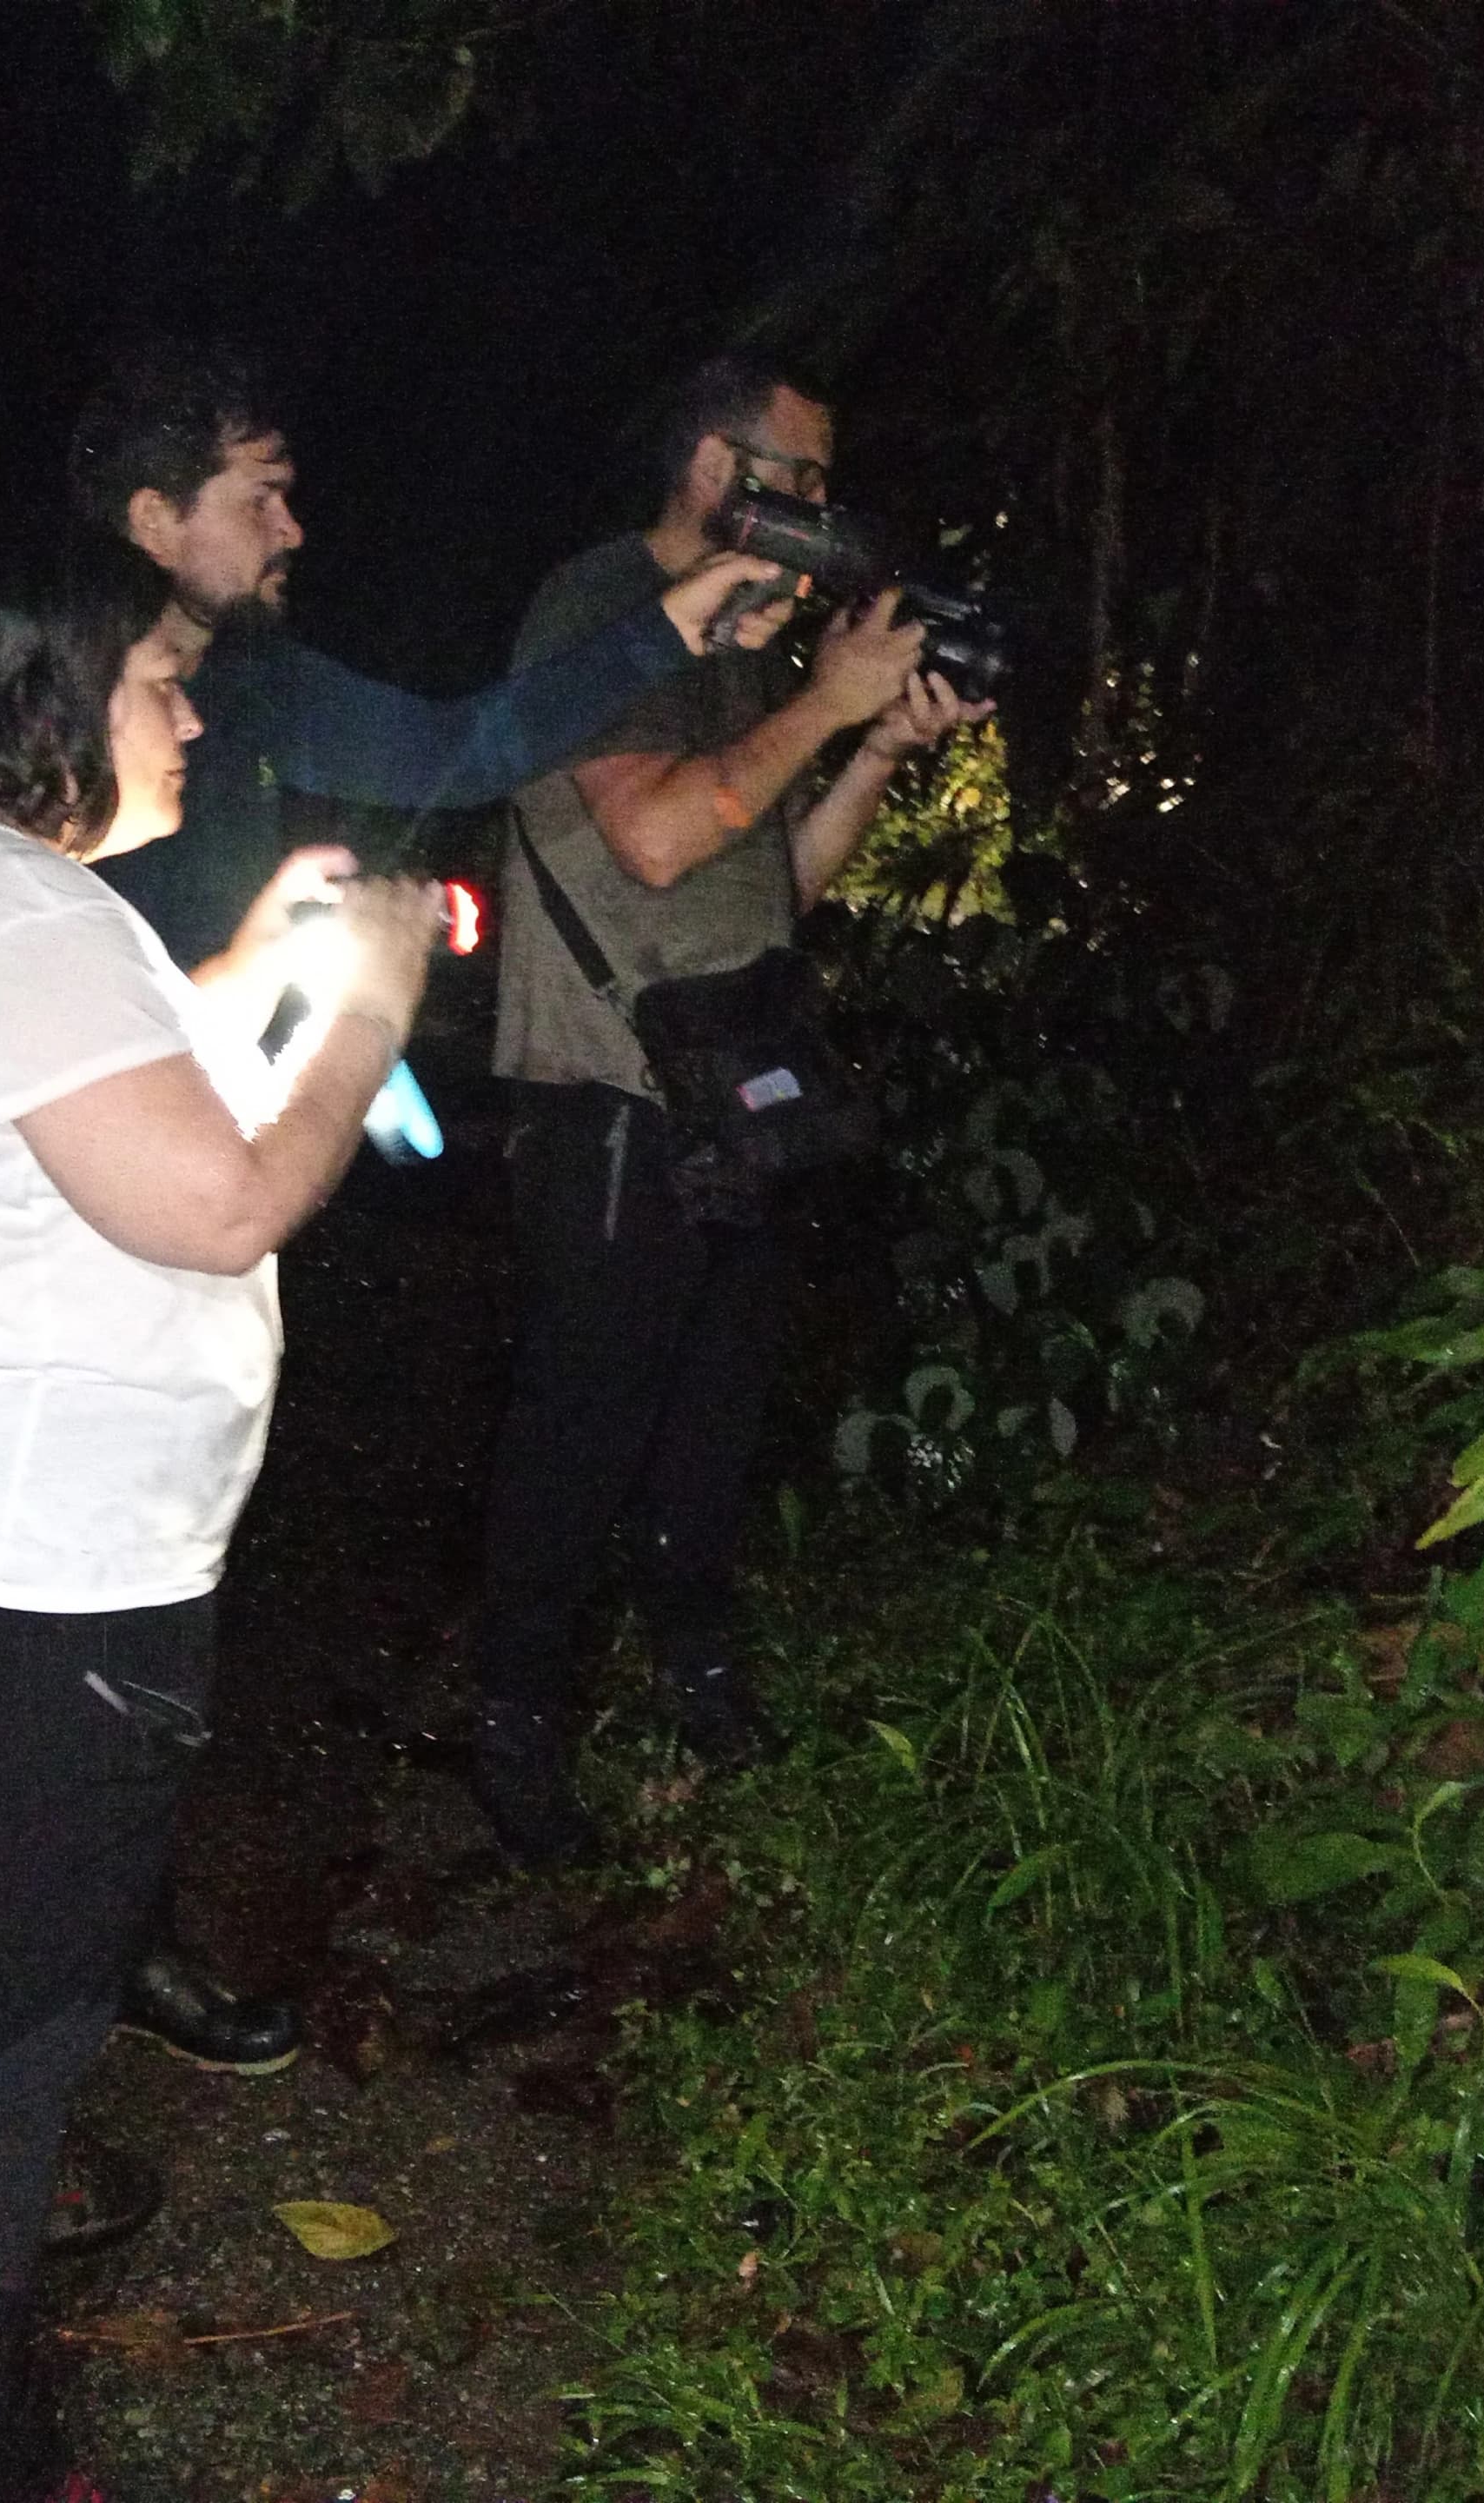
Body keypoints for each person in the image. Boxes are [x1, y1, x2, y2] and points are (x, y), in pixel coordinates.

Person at [0, 340, 780, 2140]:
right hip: (5, 1254)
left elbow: (468, 742)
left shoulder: (248, 695)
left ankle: (102, 1937)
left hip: (146, 1215)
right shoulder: (1, 732)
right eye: (260, 489)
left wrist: (671, 621)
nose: (296, 523)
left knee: (121, 1595)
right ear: (148, 525)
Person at [0, 509, 441, 2502]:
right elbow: (221, 1195)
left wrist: (251, 970)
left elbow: (88, 1115)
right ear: (53, 689)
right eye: (159, 681)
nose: (189, 714)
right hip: (42, 1579)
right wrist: (379, 1005)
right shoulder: (4, 914)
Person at [470, 354, 982, 1867]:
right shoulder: (599, 616)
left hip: (737, 1098)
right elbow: (653, 839)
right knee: (583, 1432)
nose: (827, 512)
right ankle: (515, 1728)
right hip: (613, 1108)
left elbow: (771, 886)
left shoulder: (753, 652)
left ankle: (700, 1682)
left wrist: (872, 742)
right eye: (803, 477)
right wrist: (825, 698)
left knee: (711, 1424)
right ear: (714, 466)